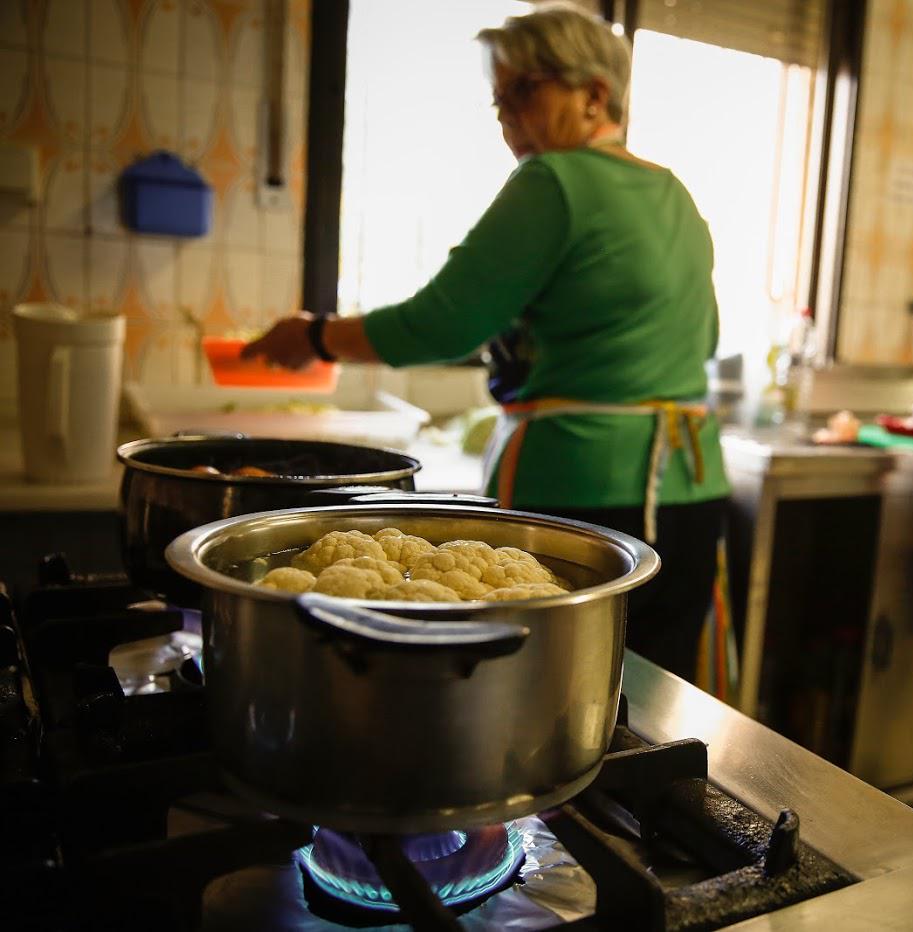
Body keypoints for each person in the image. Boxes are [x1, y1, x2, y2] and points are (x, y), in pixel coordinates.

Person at [243, 3, 730, 680]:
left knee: (551, 691)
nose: (507, 118)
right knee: (651, 693)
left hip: (583, 489)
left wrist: (316, 337)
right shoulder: (672, 192)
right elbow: (704, 335)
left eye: (524, 92)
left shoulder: (554, 180)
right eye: (498, 101)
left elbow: (443, 323)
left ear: (594, 93)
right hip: (694, 486)